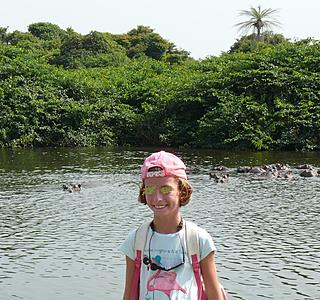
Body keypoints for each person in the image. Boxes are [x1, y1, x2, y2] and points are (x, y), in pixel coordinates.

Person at [120, 150, 225, 300]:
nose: (157, 198)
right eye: (149, 189)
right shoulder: (136, 240)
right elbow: (129, 295)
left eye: (166, 189)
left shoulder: (199, 240)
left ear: (182, 191)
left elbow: (215, 295)